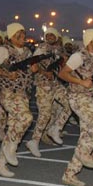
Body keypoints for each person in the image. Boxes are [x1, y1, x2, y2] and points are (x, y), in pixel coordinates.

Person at [0, 23, 40, 177]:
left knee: (14, 127)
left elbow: (29, 70)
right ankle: (11, 147)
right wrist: (6, 74)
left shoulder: (27, 51)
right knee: (26, 118)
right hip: (7, 93)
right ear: (11, 36)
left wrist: (34, 69)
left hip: (22, 94)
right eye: (18, 34)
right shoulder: (4, 50)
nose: (22, 36)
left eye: (23, 33)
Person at [56, 28, 93, 186]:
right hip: (78, 97)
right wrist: (81, 82)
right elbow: (62, 74)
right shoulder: (78, 56)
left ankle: (70, 174)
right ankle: (84, 154)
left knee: (86, 137)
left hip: (91, 99)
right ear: (89, 40)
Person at [25, 28, 69, 157]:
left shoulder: (59, 49)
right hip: (43, 86)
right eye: (47, 35)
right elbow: (33, 65)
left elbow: (62, 67)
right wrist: (44, 72)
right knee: (45, 115)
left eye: (52, 35)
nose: (50, 37)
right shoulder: (41, 48)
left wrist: (64, 62)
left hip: (56, 84)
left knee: (71, 103)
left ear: (56, 37)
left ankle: (56, 128)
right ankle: (34, 141)